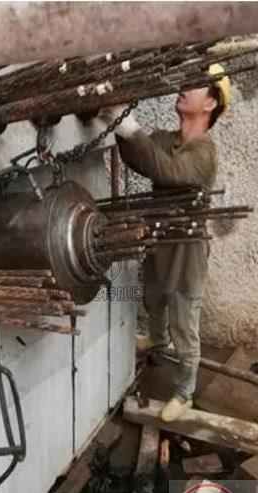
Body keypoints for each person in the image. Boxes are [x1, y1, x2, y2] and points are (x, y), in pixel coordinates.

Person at [98, 64, 231, 422]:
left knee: (184, 320)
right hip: (160, 237)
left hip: (187, 248)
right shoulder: (167, 141)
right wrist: (119, 122)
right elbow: (140, 157)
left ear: (210, 104)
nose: (184, 87)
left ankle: (184, 393)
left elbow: (168, 172)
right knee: (153, 297)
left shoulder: (204, 152)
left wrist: (130, 127)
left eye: (195, 85)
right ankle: (157, 342)